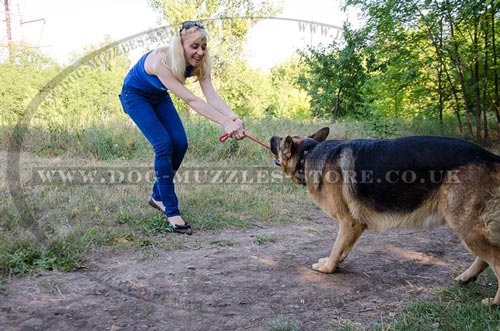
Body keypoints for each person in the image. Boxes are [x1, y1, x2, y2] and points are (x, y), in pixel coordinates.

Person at [119, 21, 245, 235]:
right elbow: (192, 100)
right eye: (194, 46)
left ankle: (157, 196)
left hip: (158, 96)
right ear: (180, 45)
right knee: (164, 145)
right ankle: (170, 209)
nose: (200, 52)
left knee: (180, 142)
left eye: (203, 46)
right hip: (135, 97)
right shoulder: (162, 62)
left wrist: (232, 117)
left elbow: (211, 96)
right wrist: (223, 123)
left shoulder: (201, 63)